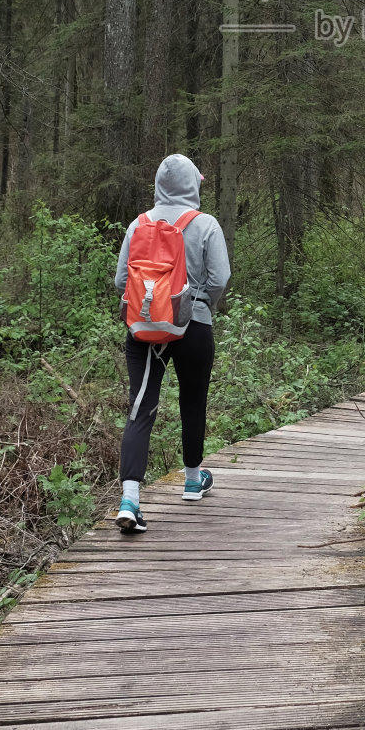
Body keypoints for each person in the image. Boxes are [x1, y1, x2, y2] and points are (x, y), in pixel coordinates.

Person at [113, 153, 231, 533]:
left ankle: (130, 498)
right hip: (193, 325)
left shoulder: (138, 224)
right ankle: (193, 481)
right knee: (193, 401)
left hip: (144, 328)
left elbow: (120, 282)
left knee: (141, 408)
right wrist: (197, 304)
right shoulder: (205, 224)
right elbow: (220, 278)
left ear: (159, 184)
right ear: (192, 184)